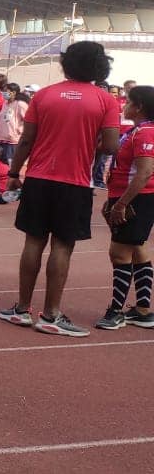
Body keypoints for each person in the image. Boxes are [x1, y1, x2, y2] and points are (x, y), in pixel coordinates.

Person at [0, 41, 121, 337]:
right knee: (63, 246)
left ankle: (21, 309)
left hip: (39, 178)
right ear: (101, 66)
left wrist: (14, 172)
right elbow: (110, 145)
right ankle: (51, 314)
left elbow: (26, 140)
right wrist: (87, 142)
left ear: (66, 63)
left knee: (33, 241)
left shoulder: (44, 94)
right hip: (74, 182)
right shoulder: (106, 101)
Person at [95, 85, 154, 330]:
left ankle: (116, 311)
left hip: (136, 199)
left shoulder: (145, 133)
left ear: (139, 107)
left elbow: (144, 172)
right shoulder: (137, 130)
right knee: (138, 250)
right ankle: (143, 310)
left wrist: (121, 204)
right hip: (130, 196)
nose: (125, 105)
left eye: (128, 102)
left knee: (119, 253)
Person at [0, 82, 28, 165]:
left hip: (11, 141)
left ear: (13, 92)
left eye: (6, 91)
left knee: (8, 165)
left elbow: (28, 120)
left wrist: (19, 130)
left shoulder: (20, 104)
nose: (3, 93)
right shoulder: (5, 103)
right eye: (3, 91)